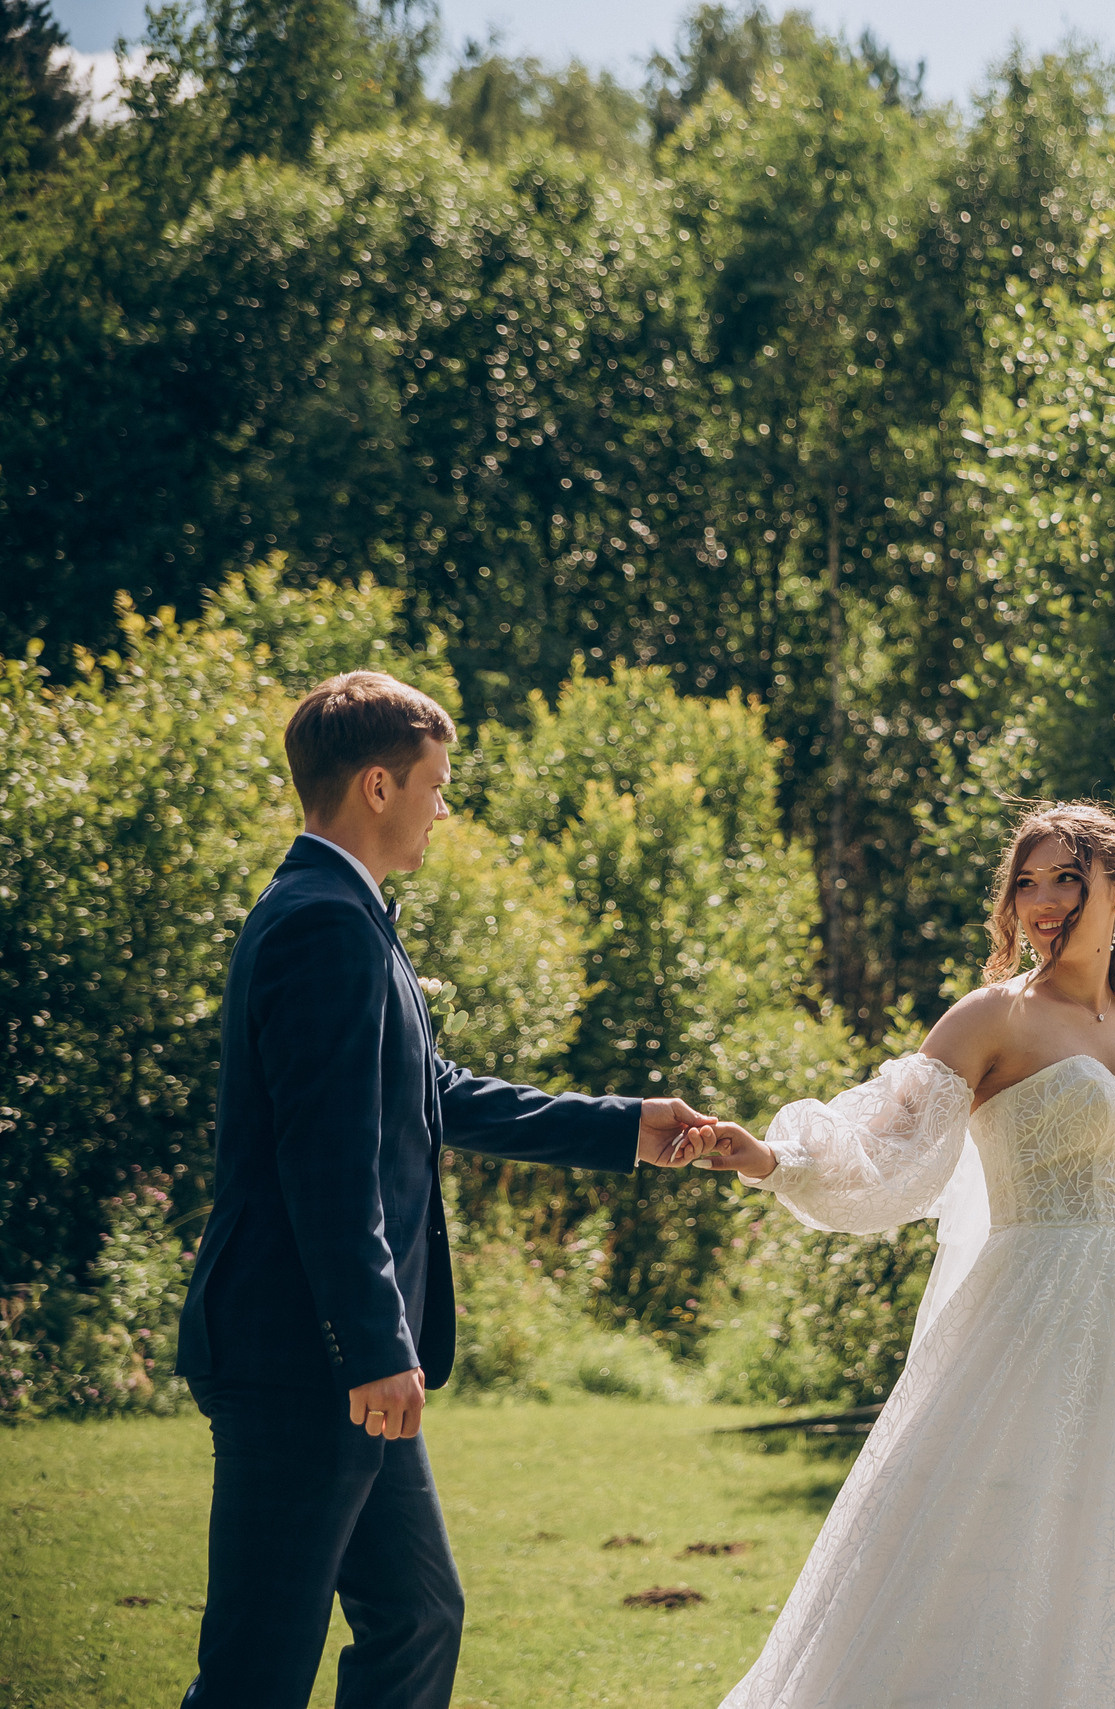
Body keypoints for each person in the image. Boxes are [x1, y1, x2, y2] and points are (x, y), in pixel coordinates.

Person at [172, 670, 722, 1709]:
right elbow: (325, 1163)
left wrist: (625, 1126)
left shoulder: (349, 913)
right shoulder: (321, 924)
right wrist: (374, 1346)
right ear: (377, 785)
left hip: (340, 1362)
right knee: (257, 1670)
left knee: (417, 1615)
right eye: (436, 784)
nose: (443, 807)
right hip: (304, 1356)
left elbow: (434, 1093)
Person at [676, 801, 1115, 1707]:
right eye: (1026, 882)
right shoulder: (994, 1017)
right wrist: (769, 1158)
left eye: (1067, 877)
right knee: (990, 1548)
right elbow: (887, 1144)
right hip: (1026, 1321)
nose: (1043, 901)